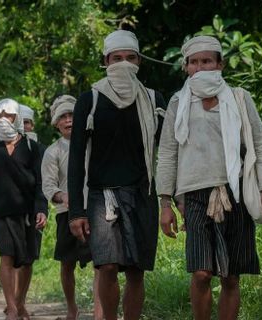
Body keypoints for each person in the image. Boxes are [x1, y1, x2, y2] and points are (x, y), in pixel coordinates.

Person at [156, 36, 262, 320]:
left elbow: (260, 143)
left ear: (220, 64)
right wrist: (165, 202)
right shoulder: (178, 102)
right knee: (201, 273)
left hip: (236, 192)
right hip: (194, 196)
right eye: (194, 62)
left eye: (207, 61)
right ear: (186, 67)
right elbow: (168, 153)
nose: (201, 67)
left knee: (231, 276)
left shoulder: (238, 97)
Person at [67, 30, 166, 320]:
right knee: (107, 266)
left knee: (136, 271)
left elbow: (170, 151)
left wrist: (172, 199)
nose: (124, 63)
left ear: (139, 61)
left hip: (142, 194)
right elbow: (75, 158)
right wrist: (76, 210)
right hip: (102, 197)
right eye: (117, 58)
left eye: (130, 58)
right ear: (106, 61)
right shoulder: (90, 99)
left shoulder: (152, 99)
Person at [0, 98, 47, 320]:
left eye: (9, 115)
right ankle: (11, 307)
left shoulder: (32, 147)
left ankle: (21, 302)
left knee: (28, 259)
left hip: (29, 212)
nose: (4, 119)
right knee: (7, 256)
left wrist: (42, 208)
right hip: (1, 212)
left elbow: (41, 182)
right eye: (0, 115)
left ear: (18, 118)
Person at [41, 95, 103, 320]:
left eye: (72, 116)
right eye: (63, 117)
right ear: (56, 123)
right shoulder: (53, 151)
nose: (68, 120)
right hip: (66, 214)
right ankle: (71, 308)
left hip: (96, 209)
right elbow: (48, 186)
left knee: (101, 263)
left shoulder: (93, 144)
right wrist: (63, 196)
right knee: (67, 264)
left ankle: (99, 312)